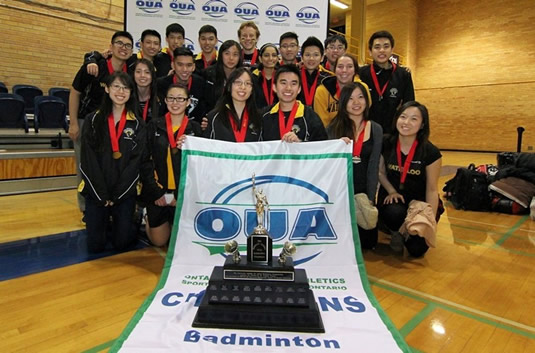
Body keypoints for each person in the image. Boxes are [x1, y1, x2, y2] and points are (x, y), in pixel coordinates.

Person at [69, 31, 134, 218]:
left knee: (106, 166)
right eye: (119, 44)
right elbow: (74, 92)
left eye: (128, 45)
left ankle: (107, 204)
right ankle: (85, 207)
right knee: (84, 166)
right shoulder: (94, 67)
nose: (123, 48)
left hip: (113, 126)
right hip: (86, 122)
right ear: (111, 47)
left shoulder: (128, 71)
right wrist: (73, 123)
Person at [79, 72, 146, 253]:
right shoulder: (92, 120)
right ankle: (102, 223)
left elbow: (135, 163)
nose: (121, 91)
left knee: (121, 244)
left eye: (126, 88)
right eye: (116, 86)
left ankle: (127, 221)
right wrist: (101, 195)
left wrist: (117, 195)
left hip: (123, 191)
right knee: (95, 246)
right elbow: (88, 160)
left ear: (131, 92)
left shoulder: (138, 124)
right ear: (107, 89)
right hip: (96, 190)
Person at [377, 101, 442, 257]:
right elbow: (380, 173)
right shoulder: (386, 143)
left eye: (414, 119)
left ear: (422, 125)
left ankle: (410, 230)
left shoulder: (430, 151)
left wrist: (428, 218)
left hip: (418, 203)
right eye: (403, 117)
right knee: (393, 213)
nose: (406, 122)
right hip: (394, 200)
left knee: (416, 250)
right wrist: (391, 191)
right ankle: (396, 232)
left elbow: (432, 189)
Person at [142, 84, 202, 246]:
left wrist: (181, 195)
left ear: (188, 102)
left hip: (183, 194)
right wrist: (156, 193)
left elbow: (199, 169)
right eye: (171, 98)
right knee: (159, 242)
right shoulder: (153, 126)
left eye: (180, 99)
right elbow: (144, 162)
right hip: (158, 193)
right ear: (165, 101)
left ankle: (174, 221)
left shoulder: (196, 130)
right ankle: (147, 216)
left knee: (183, 242)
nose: (175, 102)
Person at [327, 82, 383, 249]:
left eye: (360, 97)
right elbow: (328, 164)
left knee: (367, 243)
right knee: (342, 245)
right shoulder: (333, 127)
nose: (356, 102)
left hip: (362, 194)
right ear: (343, 103)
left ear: (366, 101)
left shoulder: (376, 129)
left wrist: (371, 198)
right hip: (341, 192)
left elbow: (374, 166)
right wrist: (335, 146)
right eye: (350, 99)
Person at [359, 30, 415, 134]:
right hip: (366, 132)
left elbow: (409, 105)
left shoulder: (403, 75)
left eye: (386, 46)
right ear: (370, 51)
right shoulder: (361, 74)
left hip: (393, 133)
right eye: (377, 47)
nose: (382, 50)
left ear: (392, 50)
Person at [262, 65, 327, 142]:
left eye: (293, 84)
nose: (288, 88)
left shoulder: (310, 117)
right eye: (283, 83)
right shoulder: (264, 116)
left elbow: (323, 149)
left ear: (299, 89)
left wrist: (300, 144)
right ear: (274, 87)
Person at [204, 67, 262, 142]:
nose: (243, 87)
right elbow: (205, 149)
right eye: (238, 82)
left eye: (247, 83)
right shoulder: (214, 117)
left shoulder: (259, 118)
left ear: (252, 90)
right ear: (229, 87)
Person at [314, 54, 369, 127]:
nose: (344, 70)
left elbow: (366, 115)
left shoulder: (363, 88)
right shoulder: (322, 91)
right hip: (332, 135)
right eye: (340, 67)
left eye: (349, 66)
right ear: (334, 70)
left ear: (355, 70)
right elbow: (322, 124)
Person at [156, 47, 206, 124]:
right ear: (173, 65)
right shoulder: (160, 84)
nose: (184, 69)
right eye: (180, 65)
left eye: (189, 65)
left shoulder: (202, 84)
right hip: (167, 130)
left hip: (194, 131)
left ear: (193, 67)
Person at [84, 29, 161, 77]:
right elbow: (97, 55)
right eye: (148, 42)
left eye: (156, 43)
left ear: (159, 47)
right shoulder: (129, 59)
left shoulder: (162, 61)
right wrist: (91, 61)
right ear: (141, 44)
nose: (152, 46)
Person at [203, 40, 242, 113]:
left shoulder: (244, 76)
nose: (231, 58)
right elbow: (203, 102)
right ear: (221, 55)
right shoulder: (209, 74)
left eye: (235, 54)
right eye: (227, 53)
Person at [297, 36, 332, 107]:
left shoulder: (328, 79)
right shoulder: (295, 77)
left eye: (316, 55)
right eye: (307, 55)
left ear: (322, 58)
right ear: (302, 57)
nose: (311, 58)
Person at [252, 43, 279, 109]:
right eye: (266, 55)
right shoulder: (252, 77)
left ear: (278, 58)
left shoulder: (282, 77)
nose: (270, 58)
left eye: (274, 55)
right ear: (260, 58)